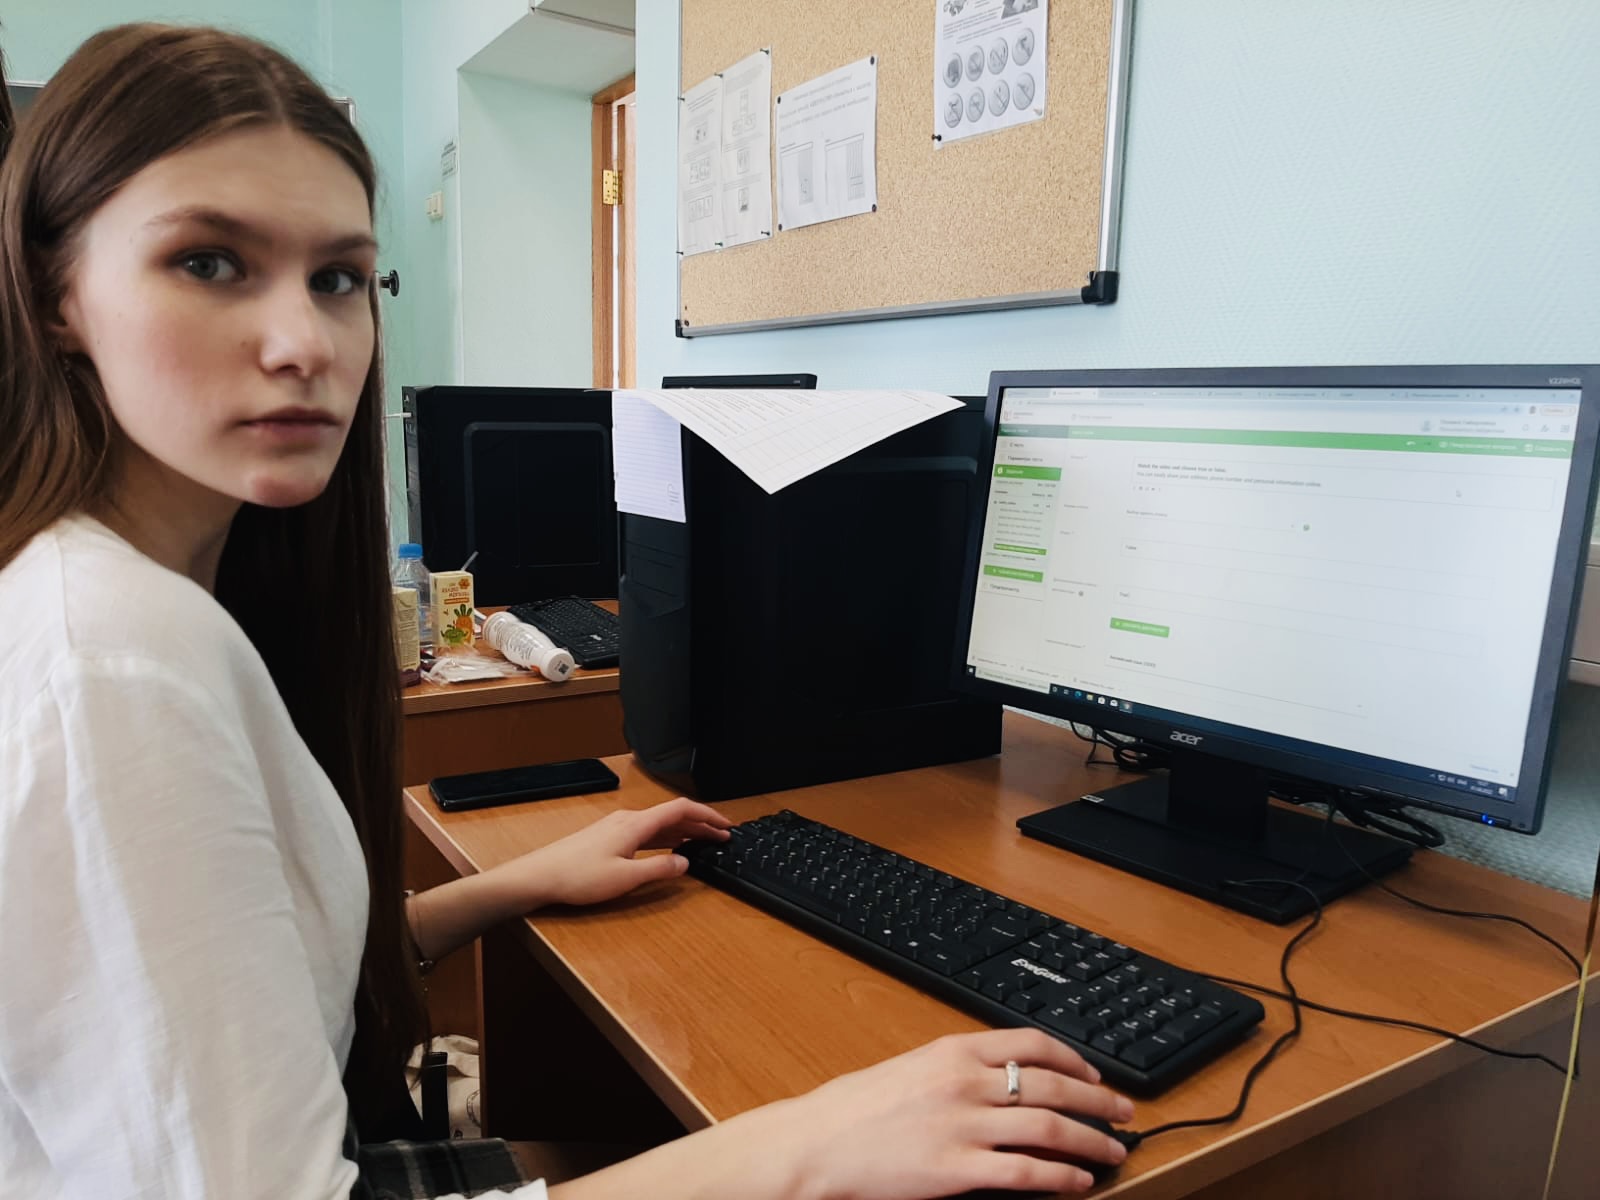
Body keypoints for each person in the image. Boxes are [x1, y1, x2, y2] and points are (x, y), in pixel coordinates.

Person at [0, 24, 1134, 1199]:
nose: (302, 343)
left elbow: (257, 972)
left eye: (337, 279)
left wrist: (514, 883)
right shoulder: (108, 659)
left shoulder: (157, 601)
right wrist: (807, 1145)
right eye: (208, 262)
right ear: (52, 294)